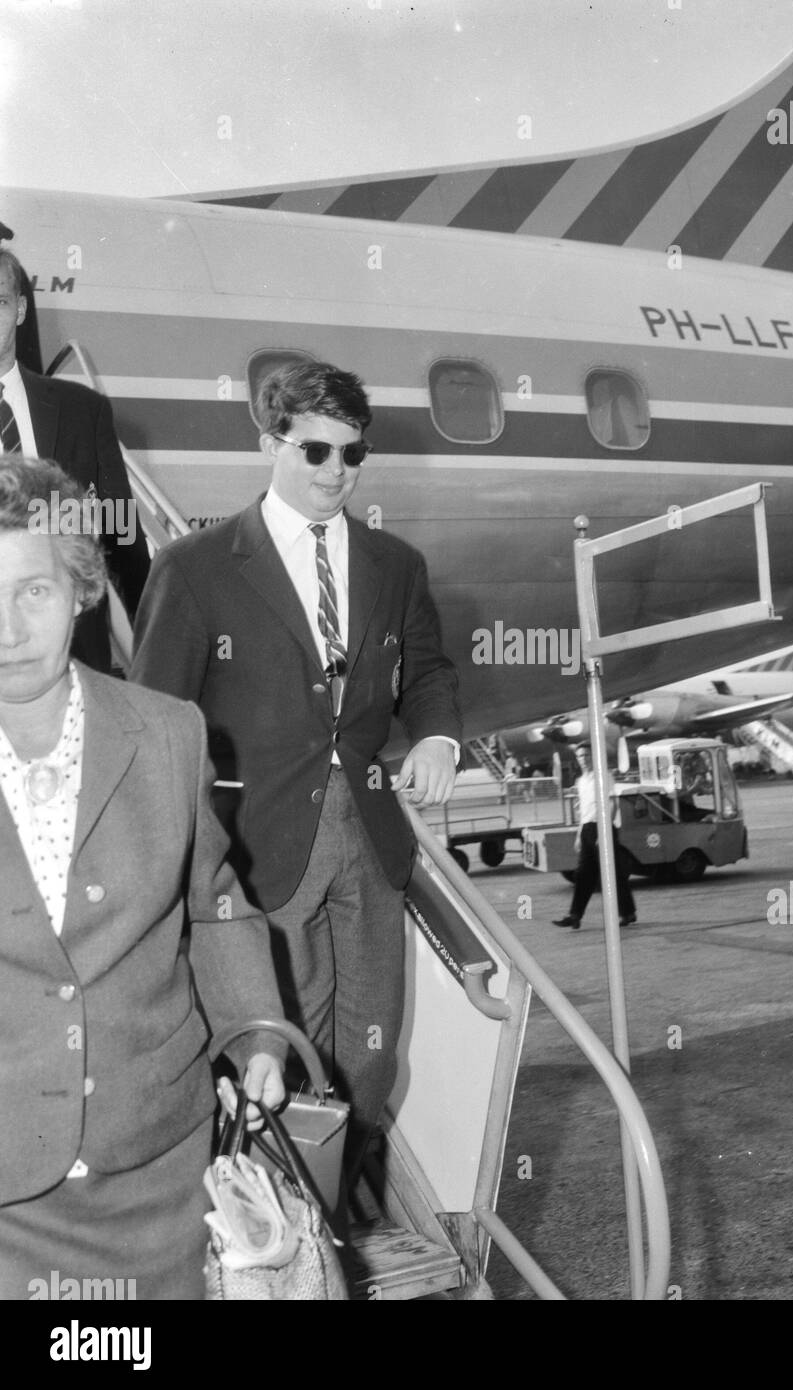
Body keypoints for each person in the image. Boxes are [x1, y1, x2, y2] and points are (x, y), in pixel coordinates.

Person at [131, 359, 461, 1177]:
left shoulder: (395, 565)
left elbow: (428, 674)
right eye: (315, 452)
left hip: (370, 840)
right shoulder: (197, 568)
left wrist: (435, 738)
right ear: (269, 441)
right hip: (257, 844)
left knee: (372, 1050)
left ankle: (339, 1206)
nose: (336, 473)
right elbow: (156, 719)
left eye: (353, 455)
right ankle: (287, 1224)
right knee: (282, 1050)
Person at [0, 455, 286, 1300]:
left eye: (34, 591)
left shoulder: (169, 734)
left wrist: (258, 1031)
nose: (7, 628)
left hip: (159, 1167)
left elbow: (217, 905)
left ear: (83, 589)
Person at [0, 249, 151, 673]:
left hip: (76, 652)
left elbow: (121, 532)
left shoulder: (84, 410)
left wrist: (146, 641)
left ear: (21, 309)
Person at [553, 744, 637, 929]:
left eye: (587, 755)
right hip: (587, 830)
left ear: (594, 756)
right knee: (583, 874)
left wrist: (604, 831)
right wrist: (578, 835)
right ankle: (574, 916)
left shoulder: (604, 776)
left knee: (612, 875)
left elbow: (613, 803)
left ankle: (628, 912)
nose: (584, 759)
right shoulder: (581, 781)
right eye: (581, 756)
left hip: (603, 827)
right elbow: (584, 811)